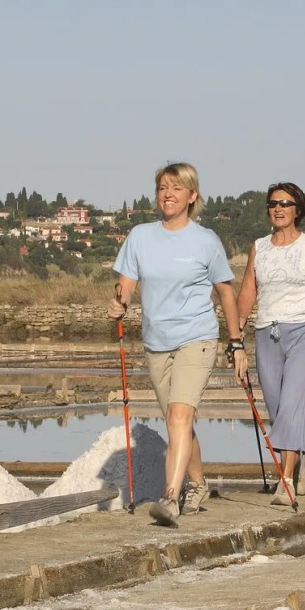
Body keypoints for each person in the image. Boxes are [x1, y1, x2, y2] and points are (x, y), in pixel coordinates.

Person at [108, 162, 247, 527]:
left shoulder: (205, 240)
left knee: (179, 416)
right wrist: (119, 304)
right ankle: (198, 484)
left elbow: (226, 294)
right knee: (177, 422)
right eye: (162, 188)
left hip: (197, 338)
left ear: (192, 196)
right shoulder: (140, 236)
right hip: (157, 342)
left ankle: (170, 497)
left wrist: (236, 343)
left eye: (176, 188)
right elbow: (126, 283)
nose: (167, 195)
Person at [234, 182, 305, 498]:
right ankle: (299, 462)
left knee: (293, 403)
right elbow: (249, 291)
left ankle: (286, 481)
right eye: (273, 203)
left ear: (298, 210)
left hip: (304, 331)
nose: (278, 208)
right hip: (267, 332)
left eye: (285, 203)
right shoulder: (259, 247)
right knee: (278, 409)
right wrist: (235, 338)